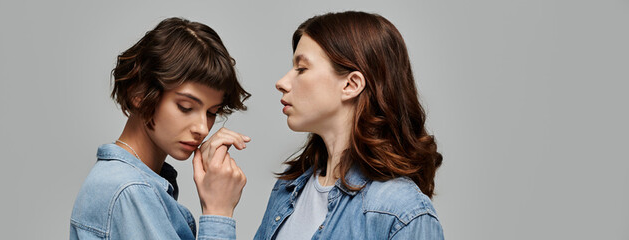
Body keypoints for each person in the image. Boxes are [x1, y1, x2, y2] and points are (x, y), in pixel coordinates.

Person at [255, 11, 445, 239]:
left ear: (351, 84)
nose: (282, 83)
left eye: (302, 69)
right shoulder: (289, 189)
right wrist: (219, 212)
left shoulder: (401, 212)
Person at [70, 17, 251, 240]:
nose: (203, 128)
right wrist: (218, 211)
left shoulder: (132, 184)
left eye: (212, 112)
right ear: (139, 93)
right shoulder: (130, 190)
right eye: (186, 107)